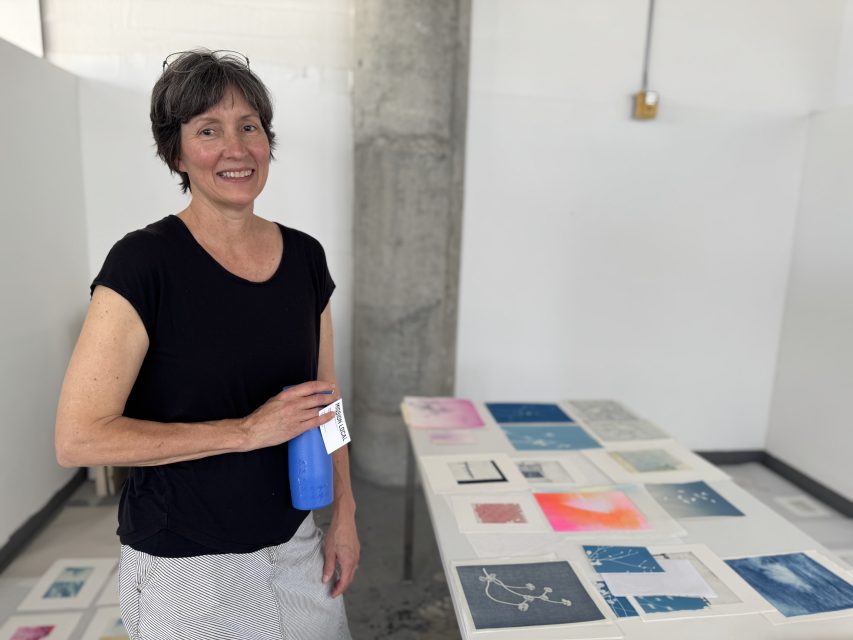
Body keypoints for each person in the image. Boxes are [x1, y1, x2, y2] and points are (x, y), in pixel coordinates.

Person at [55, 49, 358, 639]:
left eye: (249, 126)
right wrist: (246, 431)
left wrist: (344, 509)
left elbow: (327, 399)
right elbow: (78, 438)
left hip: (297, 546)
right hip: (189, 570)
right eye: (208, 130)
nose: (236, 149)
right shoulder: (143, 263)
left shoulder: (305, 257)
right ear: (176, 153)